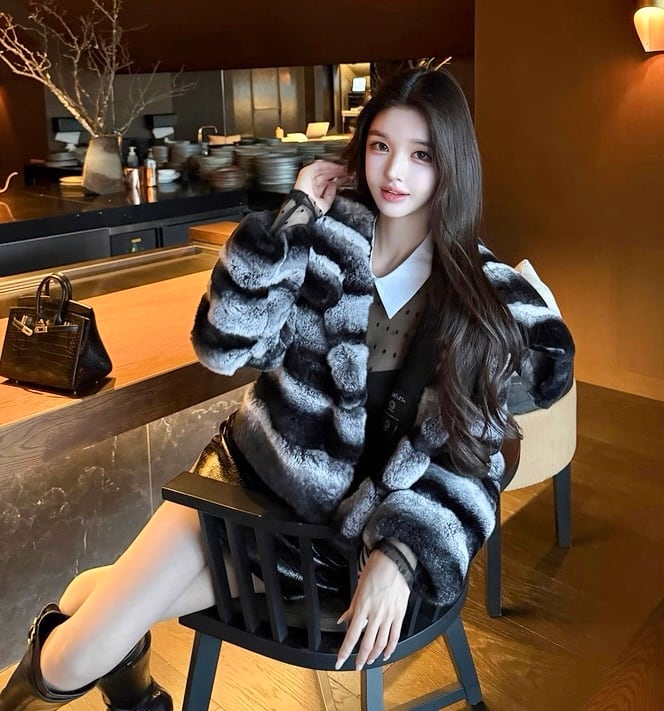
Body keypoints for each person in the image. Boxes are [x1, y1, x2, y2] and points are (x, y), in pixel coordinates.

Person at [0, 67, 574, 710]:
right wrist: (292, 217)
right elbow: (225, 346)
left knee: (89, 604)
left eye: (422, 154)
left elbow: (478, 461)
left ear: (454, 165)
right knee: (81, 638)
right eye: (380, 145)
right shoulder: (324, 239)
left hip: (339, 545)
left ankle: (133, 693)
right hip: (243, 484)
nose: (394, 172)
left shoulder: (481, 299)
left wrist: (404, 553)